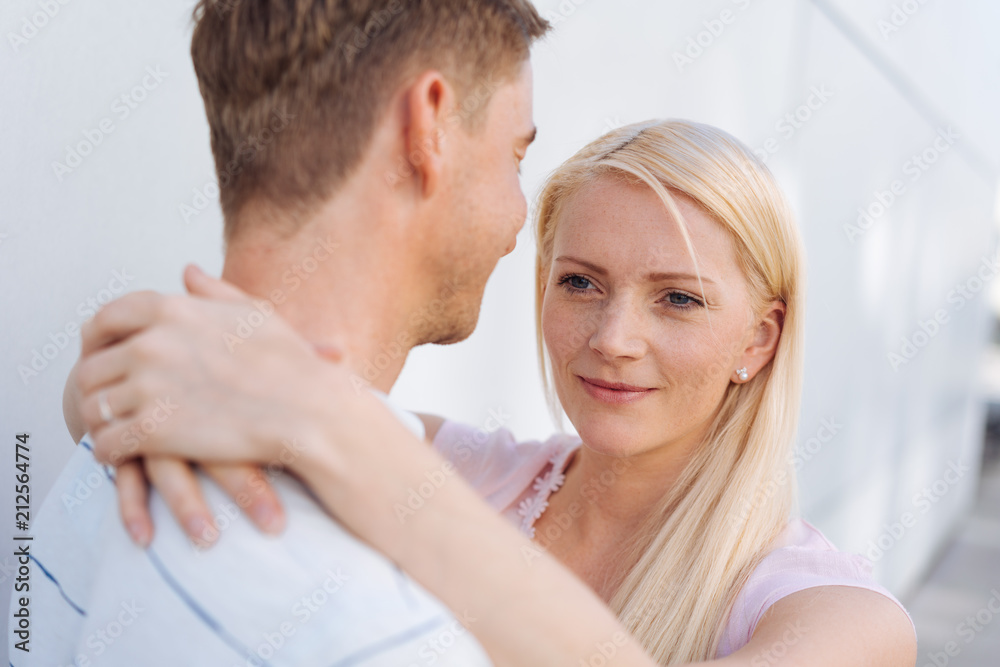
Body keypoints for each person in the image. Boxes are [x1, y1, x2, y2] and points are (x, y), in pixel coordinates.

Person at [70, 120, 919, 665]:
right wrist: (124, 394)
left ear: (759, 339)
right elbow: (109, 386)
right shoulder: (470, 471)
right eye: (582, 282)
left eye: (679, 297)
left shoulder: (842, 619)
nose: (613, 337)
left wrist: (331, 426)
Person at [13, 1, 554, 665]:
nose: (518, 215)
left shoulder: (116, 439)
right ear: (431, 122)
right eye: (516, 155)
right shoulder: (375, 628)